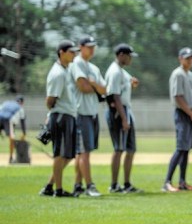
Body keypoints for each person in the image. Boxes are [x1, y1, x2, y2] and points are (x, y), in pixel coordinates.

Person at [39, 40, 79, 197]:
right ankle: (59, 190)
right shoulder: (58, 73)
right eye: (71, 51)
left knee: (68, 155)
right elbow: (50, 100)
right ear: (61, 52)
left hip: (68, 115)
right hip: (61, 116)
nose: (74, 54)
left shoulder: (66, 70)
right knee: (60, 154)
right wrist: (52, 117)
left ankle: (50, 186)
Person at [69, 35, 106, 197]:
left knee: (83, 152)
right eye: (88, 46)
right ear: (81, 47)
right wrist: (94, 85)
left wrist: (93, 84)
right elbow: (83, 87)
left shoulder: (94, 68)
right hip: (81, 112)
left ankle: (78, 185)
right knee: (84, 152)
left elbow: (105, 90)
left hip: (92, 113)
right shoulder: (76, 63)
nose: (91, 49)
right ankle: (90, 185)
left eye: (93, 47)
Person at [104, 43, 142, 194]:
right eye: (129, 56)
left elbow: (124, 87)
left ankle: (126, 183)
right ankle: (114, 184)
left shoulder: (122, 72)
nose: (131, 59)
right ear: (121, 55)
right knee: (119, 149)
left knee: (131, 149)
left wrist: (132, 84)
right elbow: (115, 96)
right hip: (118, 112)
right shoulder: (114, 71)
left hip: (126, 110)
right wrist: (124, 118)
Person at [163, 47, 192, 192]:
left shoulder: (189, 74)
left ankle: (182, 182)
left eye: (191, 58)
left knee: (186, 149)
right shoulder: (178, 74)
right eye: (187, 58)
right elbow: (178, 97)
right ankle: (167, 182)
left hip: (190, 112)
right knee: (180, 148)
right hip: (183, 113)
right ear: (180, 59)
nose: (190, 60)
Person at [1, 96, 26, 164]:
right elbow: (22, 122)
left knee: (12, 138)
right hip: (8, 120)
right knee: (12, 139)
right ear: (22, 102)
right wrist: (24, 133)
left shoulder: (6, 103)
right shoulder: (20, 108)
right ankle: (11, 158)